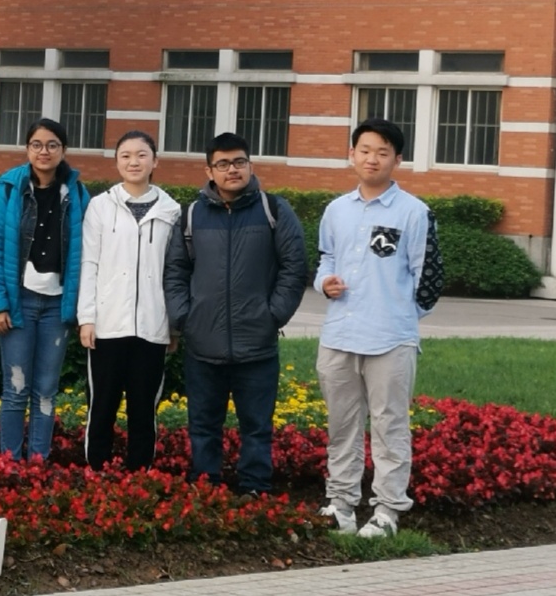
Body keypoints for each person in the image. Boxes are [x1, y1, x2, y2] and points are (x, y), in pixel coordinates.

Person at [314, 117, 443, 538]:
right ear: (351, 154)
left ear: (397, 160)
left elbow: (429, 280)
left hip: (390, 341)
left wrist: (398, 317)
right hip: (339, 336)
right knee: (341, 426)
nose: (372, 159)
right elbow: (325, 258)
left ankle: (387, 511)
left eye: (382, 152)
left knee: (390, 427)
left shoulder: (414, 212)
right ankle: (341, 505)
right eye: (365, 150)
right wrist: (324, 283)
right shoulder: (336, 210)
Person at [165, 131, 307, 495]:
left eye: (239, 162)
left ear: (250, 165)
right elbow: (175, 272)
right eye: (224, 164)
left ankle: (254, 489)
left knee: (257, 427)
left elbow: (294, 268)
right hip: (203, 344)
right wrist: (185, 319)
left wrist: (273, 315)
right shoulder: (191, 216)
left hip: (257, 345)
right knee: (203, 425)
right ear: (209, 171)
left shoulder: (274, 210)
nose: (233, 170)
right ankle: (205, 486)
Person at [0, 118, 88, 461]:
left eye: (52, 145)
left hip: (57, 306)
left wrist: (81, 308)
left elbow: (85, 254)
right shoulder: (8, 188)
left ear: (63, 150)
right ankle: (10, 464)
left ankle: (38, 464)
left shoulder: (77, 192)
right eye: (37, 144)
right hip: (18, 302)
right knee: (15, 389)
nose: (44, 151)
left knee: (46, 391)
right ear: (27, 149)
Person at [77, 130, 180, 471]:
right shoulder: (100, 206)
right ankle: (97, 470)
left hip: (153, 326)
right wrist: (87, 318)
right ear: (117, 161)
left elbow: (175, 272)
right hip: (107, 325)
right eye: (126, 155)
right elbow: (89, 264)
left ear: (155, 161)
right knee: (102, 405)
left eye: (141, 155)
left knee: (143, 408)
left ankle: (139, 476)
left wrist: (174, 325)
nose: (133, 162)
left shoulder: (171, 211)